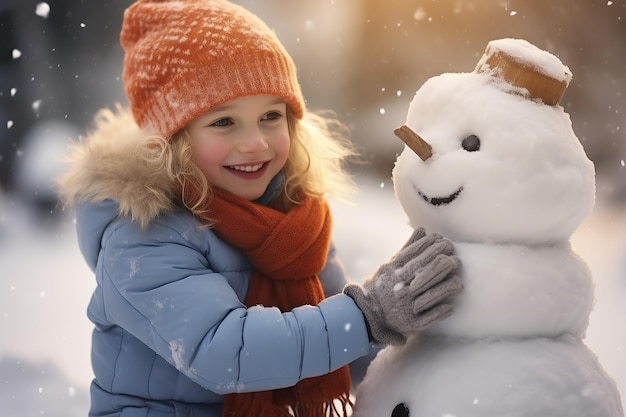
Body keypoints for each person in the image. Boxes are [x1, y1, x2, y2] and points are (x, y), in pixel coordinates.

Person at [57, 0, 463, 416]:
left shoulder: (293, 223)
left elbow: (352, 354)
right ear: (172, 140)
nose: (255, 142)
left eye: (271, 115)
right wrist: (369, 315)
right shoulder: (141, 236)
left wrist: (435, 345)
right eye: (223, 122)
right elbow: (226, 352)